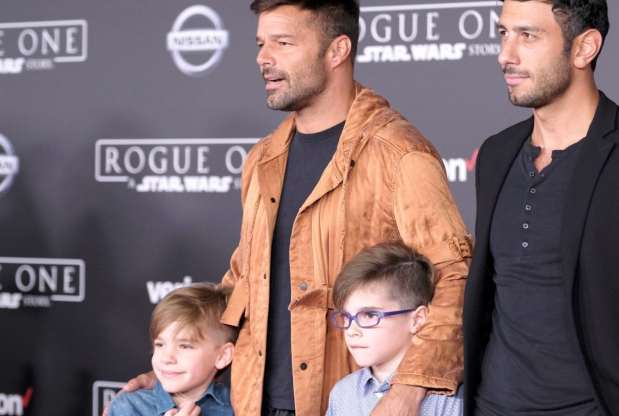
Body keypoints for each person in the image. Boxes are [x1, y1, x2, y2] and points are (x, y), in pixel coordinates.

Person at [115, 0, 471, 415]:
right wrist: (177, 372)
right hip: (252, 401)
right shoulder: (263, 158)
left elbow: (453, 278)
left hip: (350, 401)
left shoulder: (398, 153)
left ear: (337, 51)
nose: (263, 58)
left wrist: (408, 390)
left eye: (283, 43)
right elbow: (243, 284)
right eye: (261, 44)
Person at [463, 1, 619, 415]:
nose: (506, 55)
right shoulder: (495, 154)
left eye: (528, 36)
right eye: (503, 33)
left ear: (584, 47)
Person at [325, 242, 463, 416]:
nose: (352, 331)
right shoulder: (342, 393)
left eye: (370, 315)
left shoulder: (450, 401)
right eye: (346, 316)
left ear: (417, 319)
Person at [109, 283, 237, 416]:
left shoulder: (238, 408)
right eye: (160, 344)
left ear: (223, 356)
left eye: (184, 346)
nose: (166, 358)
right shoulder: (128, 407)